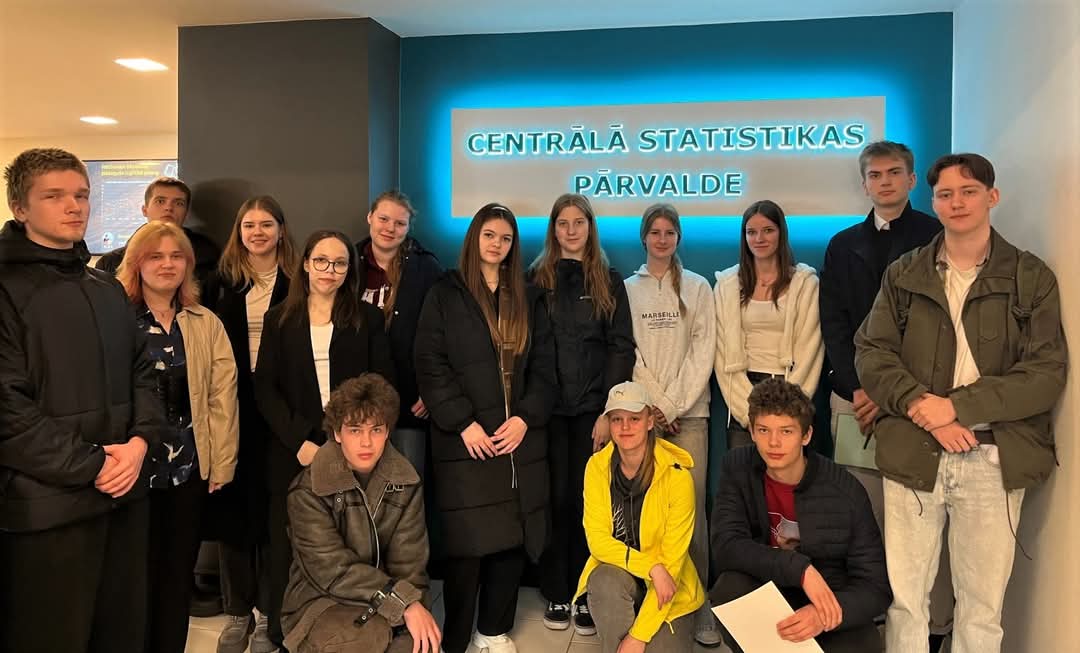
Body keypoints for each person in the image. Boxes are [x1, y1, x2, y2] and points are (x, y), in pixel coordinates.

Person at [855, 153, 1067, 653]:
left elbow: (1045, 374)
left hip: (993, 457)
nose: (957, 203)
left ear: (992, 197)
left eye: (968, 192)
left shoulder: (1030, 276)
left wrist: (957, 408)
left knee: (981, 609)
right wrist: (922, 407)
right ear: (933, 202)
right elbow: (872, 351)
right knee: (906, 602)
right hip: (913, 451)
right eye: (945, 194)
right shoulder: (904, 273)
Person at [0, 148, 164, 652]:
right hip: (47, 509)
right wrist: (92, 465)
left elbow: (143, 374)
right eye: (54, 196)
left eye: (81, 194)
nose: (74, 206)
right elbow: (7, 409)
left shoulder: (106, 288)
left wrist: (140, 443)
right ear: (20, 207)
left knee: (121, 634)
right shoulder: (6, 289)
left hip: (122, 498)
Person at [818, 140, 952, 650]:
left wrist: (891, 389)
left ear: (912, 180)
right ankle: (870, 617)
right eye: (875, 175)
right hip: (854, 403)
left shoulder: (937, 237)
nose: (885, 182)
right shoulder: (842, 244)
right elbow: (834, 324)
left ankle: (933, 625)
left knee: (923, 515)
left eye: (894, 173)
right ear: (864, 183)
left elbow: (937, 327)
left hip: (917, 401)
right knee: (863, 511)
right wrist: (858, 387)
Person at [414, 203, 557, 653]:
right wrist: (462, 423)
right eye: (490, 235)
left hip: (517, 439)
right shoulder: (445, 293)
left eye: (506, 238)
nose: (497, 245)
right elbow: (429, 363)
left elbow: (546, 371)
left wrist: (525, 418)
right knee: (468, 544)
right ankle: (457, 637)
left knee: (511, 541)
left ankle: (493, 631)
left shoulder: (529, 297)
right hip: (466, 442)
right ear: (474, 238)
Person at [255, 229, 396, 650]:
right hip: (292, 449)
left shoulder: (367, 319)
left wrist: (350, 440)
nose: (329, 270)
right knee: (286, 544)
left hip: (353, 448)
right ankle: (282, 631)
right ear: (305, 264)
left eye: (339, 263)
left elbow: (381, 385)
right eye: (321, 261)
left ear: (349, 271)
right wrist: (300, 440)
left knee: (350, 542)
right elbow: (265, 389)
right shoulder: (279, 319)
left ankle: (348, 631)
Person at [116, 220, 240, 653]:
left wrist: (221, 462)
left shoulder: (205, 323)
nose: (167, 264)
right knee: (132, 577)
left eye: (176, 256)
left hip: (187, 467)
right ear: (137, 263)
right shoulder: (117, 319)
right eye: (155, 256)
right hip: (129, 471)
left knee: (176, 574)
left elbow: (223, 397)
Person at [709, 378, 890, 653]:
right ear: (752, 432)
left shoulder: (845, 490)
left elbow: (875, 587)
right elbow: (726, 546)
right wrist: (800, 570)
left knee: (865, 643)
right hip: (771, 589)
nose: (773, 442)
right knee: (730, 587)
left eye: (786, 431)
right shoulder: (737, 467)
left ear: (806, 436)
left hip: (826, 600)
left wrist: (821, 616)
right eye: (763, 430)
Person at [528, 193, 635, 636]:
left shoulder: (609, 281)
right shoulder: (535, 280)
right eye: (563, 223)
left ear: (590, 228)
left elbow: (620, 347)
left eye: (579, 222)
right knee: (553, 501)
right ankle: (557, 589)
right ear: (553, 229)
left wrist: (609, 411)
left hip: (594, 413)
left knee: (590, 503)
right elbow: (528, 348)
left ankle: (588, 593)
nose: (571, 230)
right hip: (548, 413)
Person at [281, 373, 440, 653]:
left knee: (420, 645)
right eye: (355, 430)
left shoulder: (406, 482)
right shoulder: (308, 489)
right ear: (337, 434)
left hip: (385, 597)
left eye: (376, 430)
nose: (366, 442)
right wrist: (399, 600)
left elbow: (410, 565)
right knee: (368, 637)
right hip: (319, 599)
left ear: (387, 432)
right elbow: (331, 570)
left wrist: (412, 609)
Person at [202, 195, 299, 653]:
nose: (257, 232)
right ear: (238, 232)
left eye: (266, 224)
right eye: (249, 225)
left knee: (275, 517)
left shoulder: (298, 283)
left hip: (279, 412)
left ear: (281, 230)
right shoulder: (219, 283)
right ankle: (238, 610)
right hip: (231, 410)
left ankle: (267, 615)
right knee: (233, 514)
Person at [623, 203, 718, 646]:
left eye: (669, 232)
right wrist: (656, 406)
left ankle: (699, 608)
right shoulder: (627, 290)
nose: (662, 239)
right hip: (642, 417)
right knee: (644, 514)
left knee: (690, 513)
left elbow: (704, 350)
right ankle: (648, 602)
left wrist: (674, 406)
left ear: (678, 237)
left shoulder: (698, 287)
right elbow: (629, 351)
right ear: (644, 237)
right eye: (655, 232)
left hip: (690, 418)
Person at [575, 381, 704, 653]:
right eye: (617, 419)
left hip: (670, 588)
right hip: (624, 576)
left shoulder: (678, 477)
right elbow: (597, 541)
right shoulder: (596, 468)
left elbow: (671, 566)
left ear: (649, 421)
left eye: (634, 418)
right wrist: (650, 567)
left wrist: (638, 636)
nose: (625, 427)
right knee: (603, 580)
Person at [714, 199, 824, 451]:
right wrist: (747, 411)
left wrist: (790, 407)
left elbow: (810, 352)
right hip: (741, 393)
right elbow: (722, 355)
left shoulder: (805, 284)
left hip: (790, 389)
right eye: (751, 232)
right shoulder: (726, 286)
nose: (759, 238)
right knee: (744, 474)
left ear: (781, 233)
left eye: (768, 230)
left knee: (789, 475)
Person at [355, 190, 443, 477]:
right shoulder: (347, 262)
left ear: (408, 228)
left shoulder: (426, 268)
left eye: (399, 223)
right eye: (383, 219)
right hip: (356, 401)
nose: (390, 228)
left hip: (410, 402)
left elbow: (441, 335)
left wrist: (430, 391)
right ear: (370, 217)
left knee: (407, 486)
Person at [95, 176, 220, 283]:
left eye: (178, 203)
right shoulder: (110, 263)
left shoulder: (207, 255)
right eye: (160, 201)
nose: (168, 208)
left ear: (186, 213)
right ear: (144, 210)